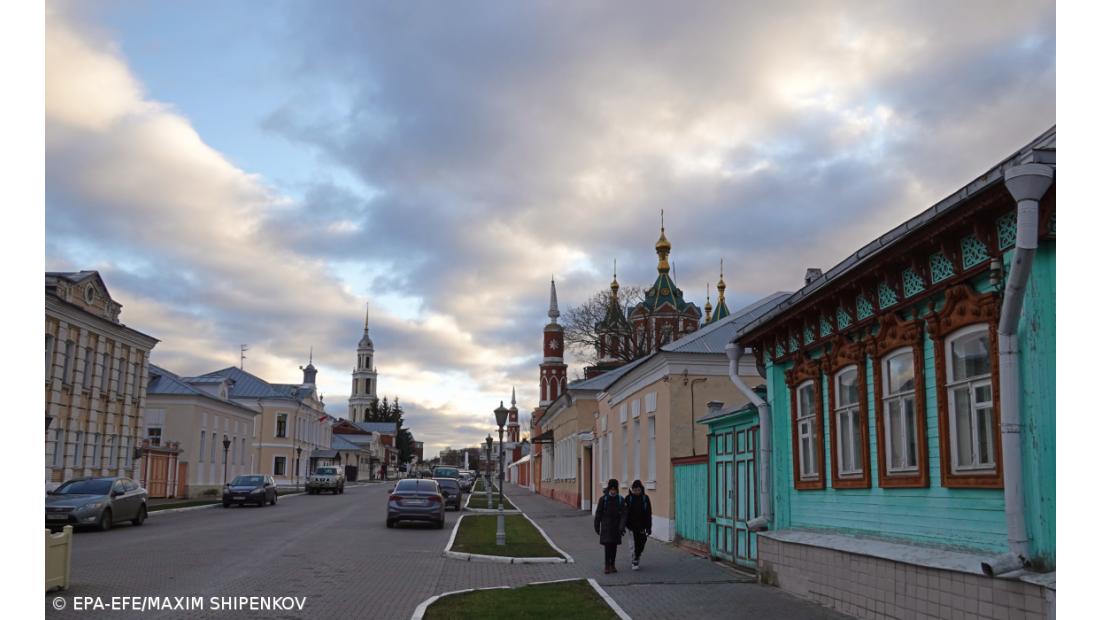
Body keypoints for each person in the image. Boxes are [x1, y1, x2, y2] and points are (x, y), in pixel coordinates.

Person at [594, 478, 628, 574]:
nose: (613, 491)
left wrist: (622, 526)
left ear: (617, 489)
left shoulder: (620, 500)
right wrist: (597, 526)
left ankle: (612, 564)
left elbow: (624, 514)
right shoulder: (603, 499)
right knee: (608, 546)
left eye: (614, 489)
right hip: (606, 527)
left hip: (617, 528)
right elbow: (598, 514)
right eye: (611, 489)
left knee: (614, 547)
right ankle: (607, 565)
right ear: (609, 489)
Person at [624, 480, 653, 570]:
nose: (636, 491)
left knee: (642, 541)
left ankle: (637, 555)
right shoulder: (628, 498)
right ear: (632, 489)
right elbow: (624, 513)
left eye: (638, 490)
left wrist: (648, 527)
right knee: (633, 544)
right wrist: (623, 525)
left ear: (641, 489)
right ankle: (634, 560)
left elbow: (648, 513)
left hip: (641, 526)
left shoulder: (645, 498)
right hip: (631, 526)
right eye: (634, 490)